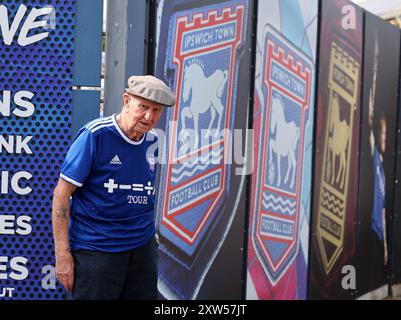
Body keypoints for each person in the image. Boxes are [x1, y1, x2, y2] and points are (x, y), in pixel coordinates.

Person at [51, 75, 176, 300]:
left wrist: (150, 235)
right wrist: (63, 254)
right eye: (143, 107)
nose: (149, 117)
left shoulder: (153, 141)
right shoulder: (96, 135)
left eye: (156, 110)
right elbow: (61, 196)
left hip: (142, 249)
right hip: (97, 249)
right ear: (126, 101)